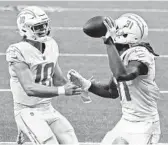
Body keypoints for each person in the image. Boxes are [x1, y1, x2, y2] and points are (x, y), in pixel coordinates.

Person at [68, 13, 161, 145]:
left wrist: (109, 42)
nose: (112, 31)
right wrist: (87, 84)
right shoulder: (122, 56)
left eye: (116, 29)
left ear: (126, 34)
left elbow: (122, 75)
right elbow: (112, 91)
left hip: (144, 124)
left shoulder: (141, 54)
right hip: (126, 121)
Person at [6, 6, 81, 145]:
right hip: (26, 110)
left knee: (71, 140)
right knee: (49, 142)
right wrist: (63, 90)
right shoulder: (17, 50)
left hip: (47, 107)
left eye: (45, 24)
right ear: (25, 29)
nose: (43, 29)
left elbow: (58, 80)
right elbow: (29, 88)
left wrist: (78, 84)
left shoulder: (51, 44)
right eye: (38, 26)